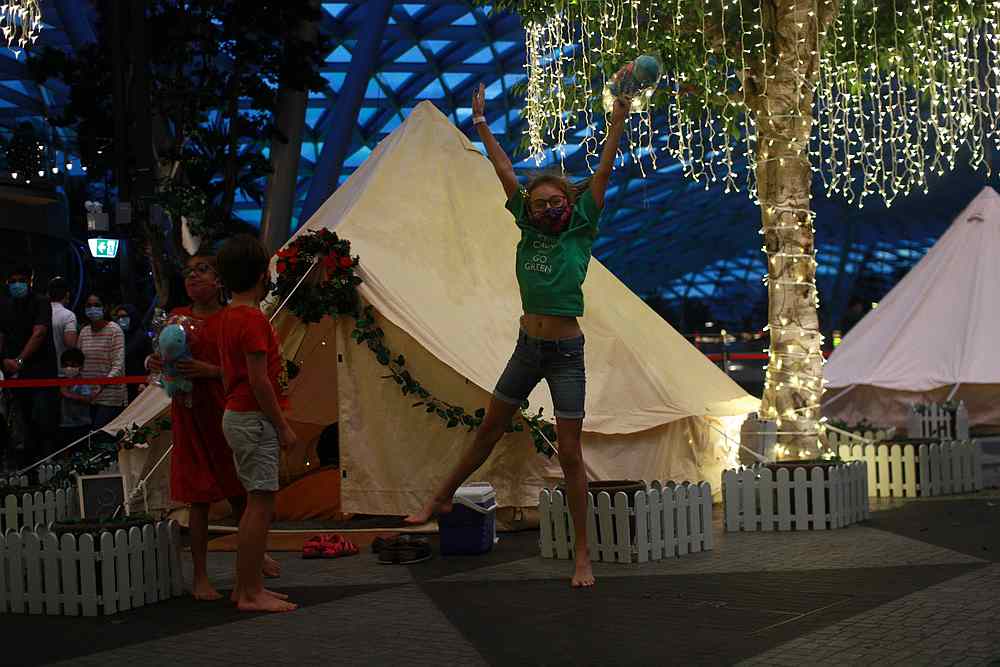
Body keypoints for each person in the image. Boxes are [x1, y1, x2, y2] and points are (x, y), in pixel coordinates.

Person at [406, 84, 628, 588]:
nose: (548, 208)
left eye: (556, 201)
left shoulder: (580, 230)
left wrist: (617, 119)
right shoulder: (527, 230)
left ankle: (583, 555)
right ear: (529, 208)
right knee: (488, 428)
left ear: (569, 204)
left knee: (569, 453)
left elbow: (603, 173)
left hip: (566, 353)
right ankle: (439, 497)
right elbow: (505, 173)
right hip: (527, 348)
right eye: (540, 202)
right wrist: (481, 125)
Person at [147, 252, 282, 601]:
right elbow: (163, 363)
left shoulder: (230, 319)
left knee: (241, 490)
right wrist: (157, 363)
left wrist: (209, 371)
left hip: (222, 410)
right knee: (198, 498)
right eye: (189, 271)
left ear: (220, 280)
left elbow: (242, 373)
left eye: (202, 270)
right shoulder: (177, 320)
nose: (193, 277)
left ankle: (251, 558)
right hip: (190, 414)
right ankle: (201, 577)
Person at [216, 234, 299, 613]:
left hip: (239, 415)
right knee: (260, 505)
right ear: (263, 272)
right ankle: (250, 592)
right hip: (253, 418)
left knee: (256, 502)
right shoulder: (251, 319)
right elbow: (258, 379)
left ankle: (245, 586)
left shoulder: (228, 317)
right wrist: (282, 425)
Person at [0, 265, 59, 465]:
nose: (17, 284)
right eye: (13, 281)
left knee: (43, 419)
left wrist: (19, 360)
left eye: (21, 281)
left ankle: (48, 463)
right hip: (14, 373)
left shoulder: (41, 302)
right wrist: (4, 361)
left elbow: (39, 333)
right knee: (21, 420)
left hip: (41, 371)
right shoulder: (5, 305)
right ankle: (24, 463)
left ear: (29, 282)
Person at [77, 294, 126, 429]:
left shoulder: (115, 330)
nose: (93, 309)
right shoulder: (84, 332)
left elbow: (118, 365)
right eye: (89, 305)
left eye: (97, 305)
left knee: (100, 437)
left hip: (110, 397)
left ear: (105, 308)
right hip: (89, 397)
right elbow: (79, 361)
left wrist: (101, 385)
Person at [113, 303, 151, 402]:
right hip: (118, 388)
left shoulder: (142, 337)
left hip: (138, 387)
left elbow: (148, 361)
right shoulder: (117, 336)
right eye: (118, 317)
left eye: (124, 316)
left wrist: (144, 383)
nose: (121, 319)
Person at [59, 347, 92, 447]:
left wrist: (69, 395)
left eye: (73, 365)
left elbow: (88, 399)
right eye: (66, 365)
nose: (69, 368)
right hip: (64, 424)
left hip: (81, 425)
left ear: (81, 366)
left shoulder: (83, 382)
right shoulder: (61, 382)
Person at [49, 277, 78, 370]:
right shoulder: (68, 315)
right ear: (67, 295)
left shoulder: (38, 312)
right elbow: (70, 344)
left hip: (40, 371)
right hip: (60, 369)